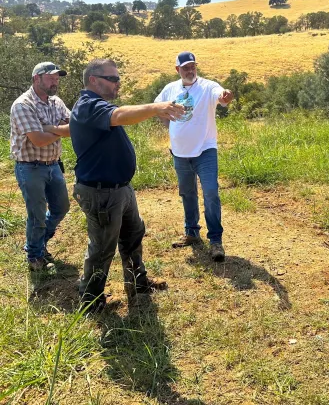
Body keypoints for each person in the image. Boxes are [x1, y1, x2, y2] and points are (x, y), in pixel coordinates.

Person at [69, 58, 185, 311]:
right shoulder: (88, 105)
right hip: (101, 192)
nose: (117, 83)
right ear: (93, 80)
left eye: (118, 78)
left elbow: (120, 116)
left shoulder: (97, 106)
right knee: (102, 248)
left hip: (119, 188)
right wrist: (156, 107)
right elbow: (120, 115)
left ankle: (137, 283)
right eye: (112, 78)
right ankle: (90, 301)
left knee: (133, 235)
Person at [155, 51, 234, 262]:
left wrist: (225, 96)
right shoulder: (170, 88)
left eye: (193, 66)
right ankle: (191, 233)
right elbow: (157, 107)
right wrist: (169, 125)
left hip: (205, 150)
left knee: (211, 193)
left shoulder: (207, 86)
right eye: (186, 67)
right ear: (177, 70)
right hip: (179, 152)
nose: (190, 70)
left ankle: (215, 240)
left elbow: (220, 94)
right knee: (187, 193)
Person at [10, 62, 71, 271]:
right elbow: (38, 139)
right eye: (51, 77)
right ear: (37, 78)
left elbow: (74, 127)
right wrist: (60, 130)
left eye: (57, 78)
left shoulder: (56, 102)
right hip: (30, 167)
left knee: (62, 207)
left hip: (53, 165)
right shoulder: (23, 104)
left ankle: (37, 244)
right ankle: (35, 256)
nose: (56, 81)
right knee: (37, 214)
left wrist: (51, 128)